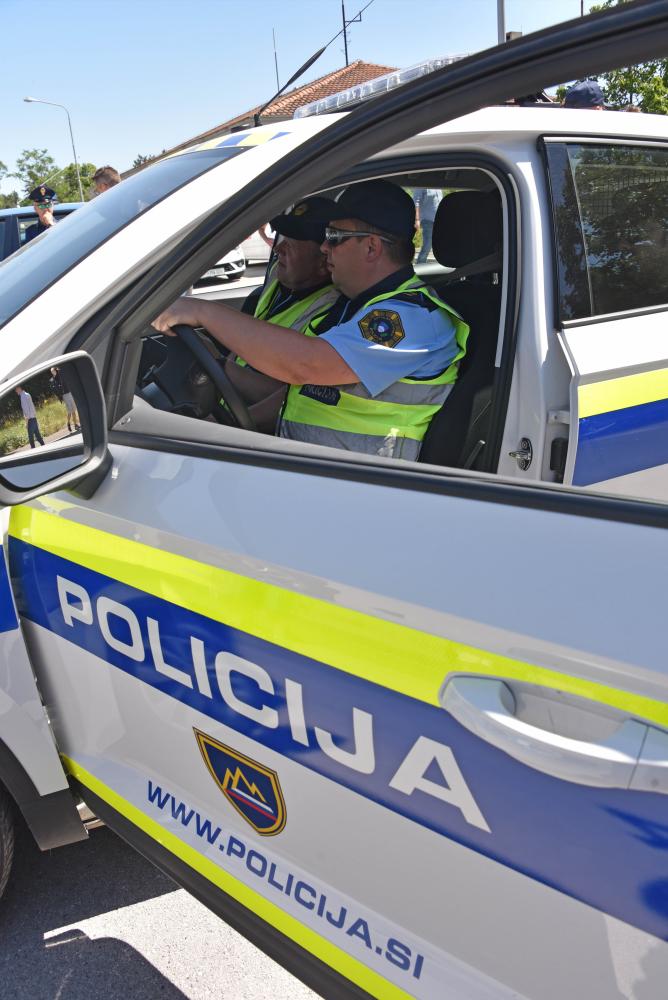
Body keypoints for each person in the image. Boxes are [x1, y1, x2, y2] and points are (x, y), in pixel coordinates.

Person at [153, 180, 468, 461]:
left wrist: (204, 311)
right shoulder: (354, 307)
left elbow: (306, 365)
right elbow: (298, 392)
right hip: (312, 470)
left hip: (360, 486)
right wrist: (226, 403)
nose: (323, 247)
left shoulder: (412, 317)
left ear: (371, 247)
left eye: (334, 237)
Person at [224, 196, 339, 429]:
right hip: (228, 401)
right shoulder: (280, 277)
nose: (278, 248)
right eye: (283, 237)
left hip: (254, 428)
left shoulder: (332, 311)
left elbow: (290, 399)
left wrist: (222, 368)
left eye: (292, 243)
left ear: (323, 259)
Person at [413, 188, 442, 263]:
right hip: (427, 220)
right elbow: (416, 202)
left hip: (439, 220)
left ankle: (441, 263)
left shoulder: (438, 185)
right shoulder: (421, 186)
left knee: (440, 242)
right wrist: (417, 219)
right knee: (428, 244)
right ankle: (420, 263)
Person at [50, 366, 80, 432]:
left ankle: (76, 425)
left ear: (56, 370)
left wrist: (58, 369)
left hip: (69, 393)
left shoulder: (61, 374)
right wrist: (60, 397)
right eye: (52, 372)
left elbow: (62, 370)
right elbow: (55, 390)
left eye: (53, 371)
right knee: (70, 411)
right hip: (65, 395)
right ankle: (68, 423)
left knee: (73, 410)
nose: (53, 372)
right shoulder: (53, 380)